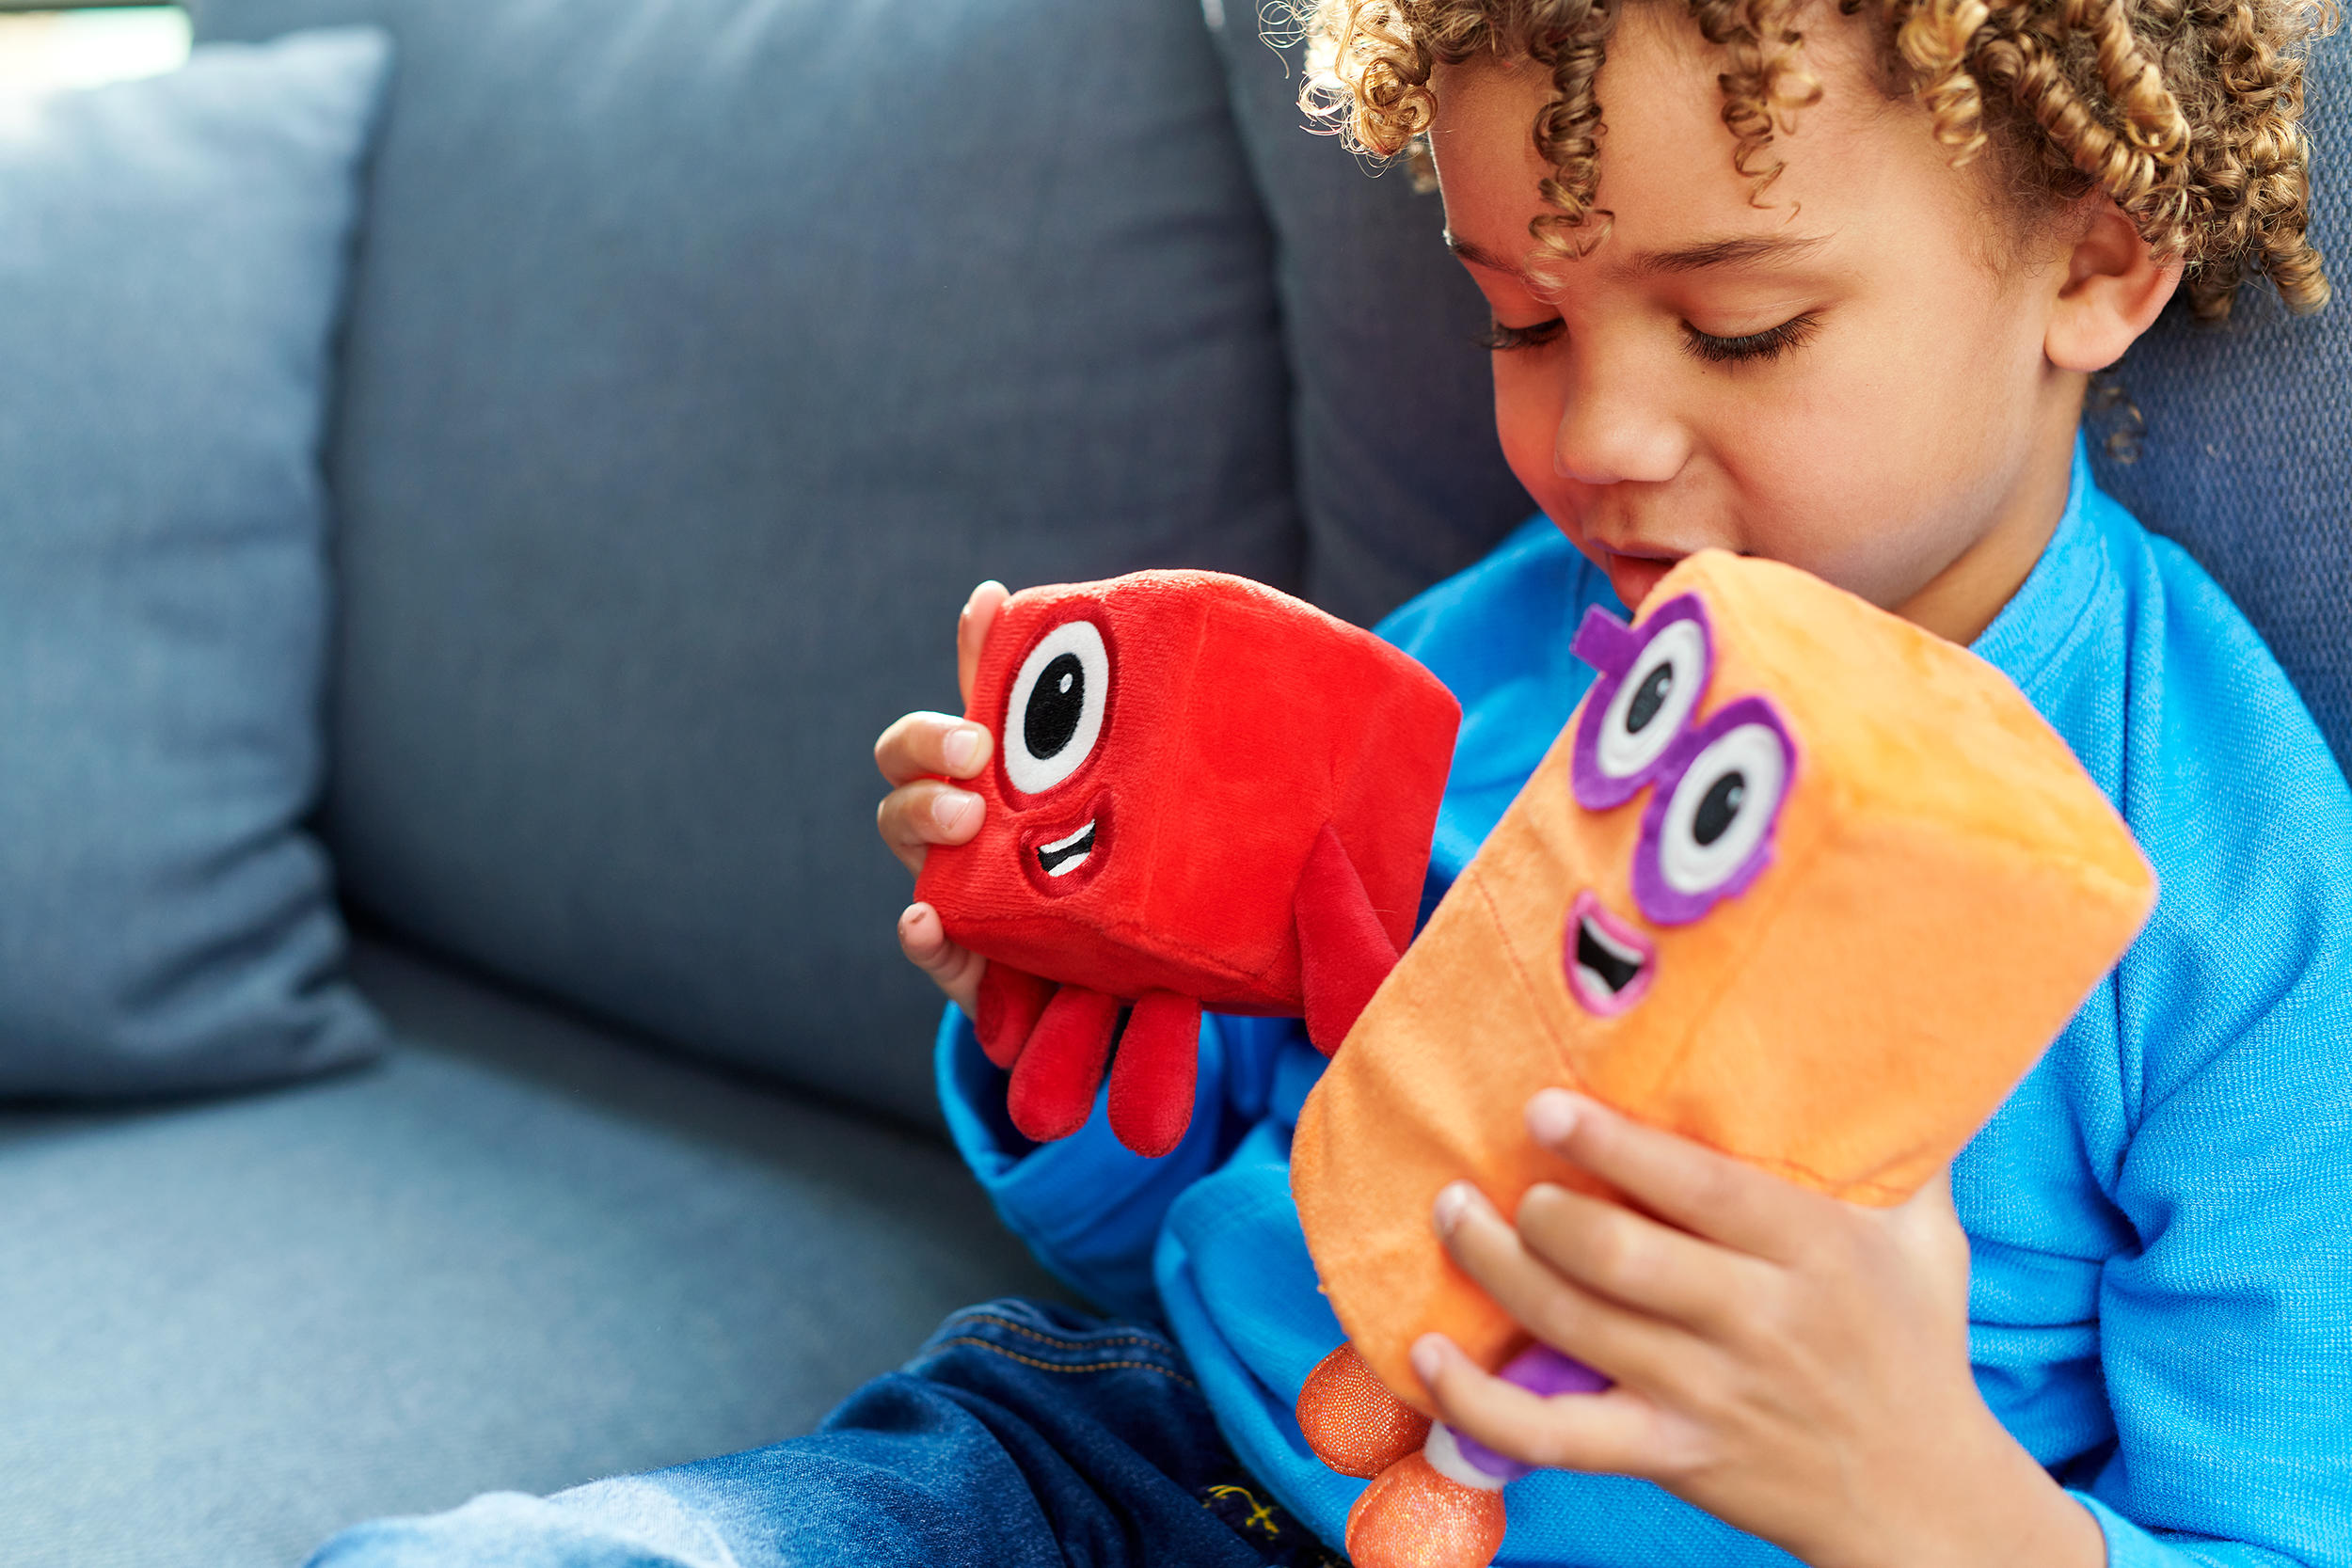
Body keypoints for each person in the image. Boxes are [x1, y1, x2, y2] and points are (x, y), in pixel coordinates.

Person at [309, 0, 2352, 1563]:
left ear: (2094, 262)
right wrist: (1077, 1036)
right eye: (1523, 322)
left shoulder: (2233, 887)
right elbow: (1195, 1218)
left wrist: (1926, 1501)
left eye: (1738, 329)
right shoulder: (1473, 663)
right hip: (1158, 1459)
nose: (1600, 440)